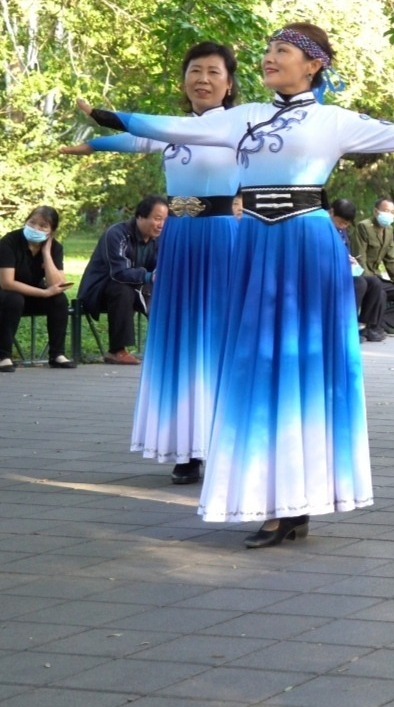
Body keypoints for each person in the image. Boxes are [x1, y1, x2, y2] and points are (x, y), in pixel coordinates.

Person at [81, 21, 394, 548]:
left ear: (314, 64)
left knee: (301, 365)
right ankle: (274, 495)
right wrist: (113, 121)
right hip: (256, 242)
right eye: (267, 51)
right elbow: (181, 129)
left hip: (305, 243)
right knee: (256, 365)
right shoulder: (247, 116)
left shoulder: (334, 120)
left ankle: (298, 500)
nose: (269, 58)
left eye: (282, 51)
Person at [64, 41, 243, 483]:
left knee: (219, 336)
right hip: (179, 238)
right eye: (194, 70)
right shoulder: (171, 127)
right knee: (182, 339)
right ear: (184, 80)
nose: (202, 79)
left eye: (213, 72)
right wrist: (95, 146)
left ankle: (228, 440)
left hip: (222, 236)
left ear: (230, 83)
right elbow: (137, 138)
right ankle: (190, 448)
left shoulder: (243, 124)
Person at [76, 195, 167, 365]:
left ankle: (168, 347)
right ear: (140, 216)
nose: (161, 224)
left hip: (136, 289)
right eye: (157, 218)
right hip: (100, 291)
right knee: (122, 289)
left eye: (165, 220)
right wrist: (148, 276)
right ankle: (117, 350)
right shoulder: (117, 234)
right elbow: (118, 273)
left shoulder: (158, 240)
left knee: (168, 292)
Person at [0, 206, 74, 371]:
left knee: (59, 300)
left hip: (32, 293)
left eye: (43, 226)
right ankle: (3, 356)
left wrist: (46, 254)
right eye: (32, 222)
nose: (35, 228)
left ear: (51, 232)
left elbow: (57, 284)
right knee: (14, 299)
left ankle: (57, 355)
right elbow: (7, 283)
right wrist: (44, 292)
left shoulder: (55, 247)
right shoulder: (9, 242)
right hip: (6, 294)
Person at [348, 198, 394, 335]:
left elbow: (391, 259)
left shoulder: (389, 230)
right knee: (379, 291)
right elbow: (359, 257)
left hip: (377, 277)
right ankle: (367, 327)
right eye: (386, 211)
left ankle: (381, 323)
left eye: (392, 212)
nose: (389, 215)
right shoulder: (364, 227)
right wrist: (372, 281)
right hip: (363, 277)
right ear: (376, 211)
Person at [330, 199, 385, 343]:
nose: (343, 226)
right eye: (340, 222)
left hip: (345, 270)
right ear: (331, 213)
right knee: (359, 283)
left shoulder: (343, 231)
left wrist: (350, 259)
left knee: (374, 283)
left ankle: (366, 325)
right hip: (329, 273)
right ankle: (348, 326)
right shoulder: (323, 229)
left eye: (347, 224)